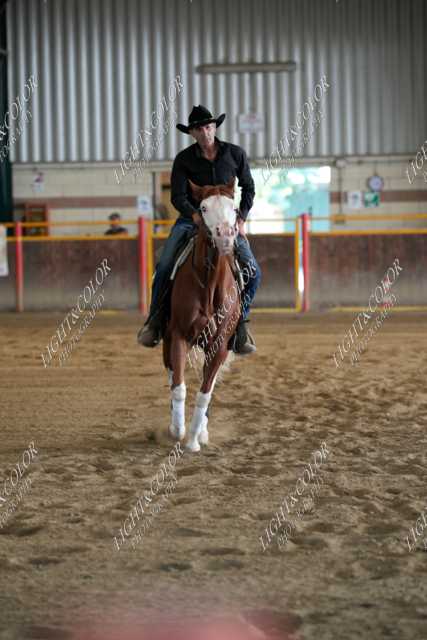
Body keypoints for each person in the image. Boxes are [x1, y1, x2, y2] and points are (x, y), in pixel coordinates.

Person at [137, 104, 261, 354]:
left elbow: (248, 187)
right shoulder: (184, 160)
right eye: (199, 129)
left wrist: (241, 218)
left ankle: (240, 324)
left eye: (208, 127)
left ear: (215, 127)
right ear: (192, 133)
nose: (205, 132)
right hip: (191, 220)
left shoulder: (235, 154)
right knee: (164, 266)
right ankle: (155, 321)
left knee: (253, 272)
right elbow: (177, 196)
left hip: (226, 223)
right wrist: (194, 215)